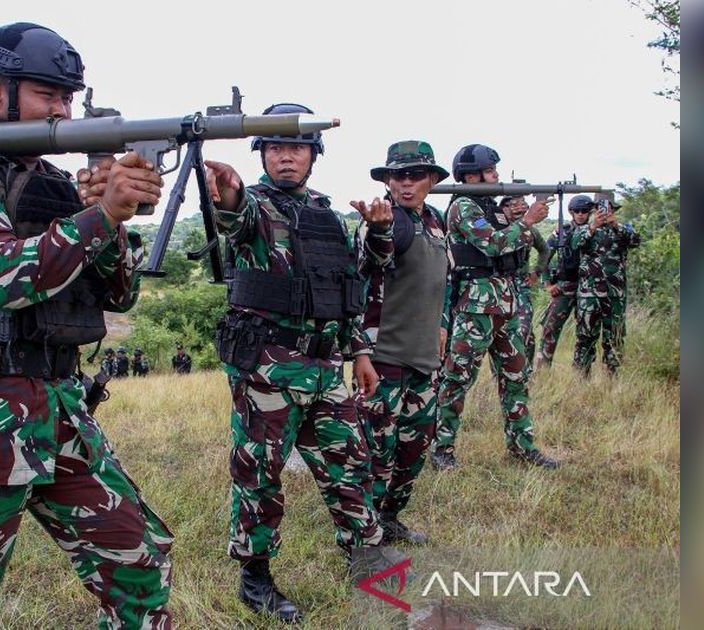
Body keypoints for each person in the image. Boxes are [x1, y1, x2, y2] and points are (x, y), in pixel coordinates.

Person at [0, 23, 173, 629]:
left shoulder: (51, 183)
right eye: (49, 94)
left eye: (69, 97)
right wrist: (99, 214)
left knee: (140, 563)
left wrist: (109, 219)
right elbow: (1, 278)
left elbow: (119, 295)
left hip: (60, 409)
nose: (64, 111)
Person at [201, 102, 406, 623]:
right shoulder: (256, 207)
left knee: (350, 463)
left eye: (296, 147)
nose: (286, 156)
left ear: (313, 155)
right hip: (268, 368)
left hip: (325, 368)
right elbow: (233, 211)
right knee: (260, 473)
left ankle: (366, 557)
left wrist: (358, 350)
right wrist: (226, 194)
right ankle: (255, 576)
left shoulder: (325, 212)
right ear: (263, 155)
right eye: (275, 147)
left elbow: (347, 288)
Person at [431, 144, 560, 471]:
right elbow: (492, 243)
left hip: (508, 305)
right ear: (471, 176)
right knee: (457, 379)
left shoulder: (493, 207)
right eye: (491, 172)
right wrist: (528, 219)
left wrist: (525, 215)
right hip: (475, 306)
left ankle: (522, 446)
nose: (497, 177)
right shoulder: (463, 207)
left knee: (516, 377)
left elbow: (517, 242)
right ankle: (442, 449)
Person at [353, 140, 451, 546]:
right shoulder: (381, 220)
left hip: (424, 360)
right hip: (384, 360)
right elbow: (371, 259)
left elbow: (443, 280)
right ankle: (364, 535)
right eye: (398, 175)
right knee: (375, 452)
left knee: (414, 450)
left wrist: (443, 324)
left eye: (415, 175)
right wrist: (377, 228)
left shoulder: (436, 222)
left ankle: (390, 518)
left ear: (431, 179)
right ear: (387, 180)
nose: (406, 183)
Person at [571, 198, 641, 375]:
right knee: (585, 336)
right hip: (589, 294)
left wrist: (616, 225)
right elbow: (575, 243)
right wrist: (593, 226)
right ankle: (581, 376)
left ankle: (612, 376)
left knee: (615, 337)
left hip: (615, 294)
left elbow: (635, 241)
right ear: (594, 211)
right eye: (601, 210)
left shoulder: (623, 230)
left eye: (609, 210)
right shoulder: (584, 229)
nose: (605, 213)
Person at [536, 195, 594, 367]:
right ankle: (542, 369)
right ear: (571, 212)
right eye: (578, 211)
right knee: (550, 327)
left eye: (585, 211)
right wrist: (548, 284)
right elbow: (544, 254)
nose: (581, 214)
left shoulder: (596, 230)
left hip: (589, 288)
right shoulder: (563, 231)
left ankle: (582, 371)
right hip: (565, 285)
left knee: (586, 331)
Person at [500, 195, 549, 376]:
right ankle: (498, 374)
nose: (515, 209)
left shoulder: (530, 230)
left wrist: (536, 272)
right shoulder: (497, 229)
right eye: (510, 206)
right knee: (498, 333)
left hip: (521, 284)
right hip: (499, 284)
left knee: (523, 330)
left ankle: (525, 373)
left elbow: (545, 250)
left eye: (519, 206)